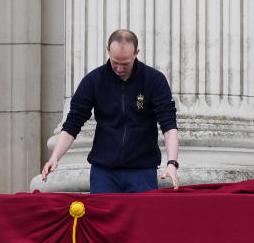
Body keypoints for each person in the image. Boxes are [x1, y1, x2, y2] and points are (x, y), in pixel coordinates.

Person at [42, 29, 180, 193]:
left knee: (142, 219)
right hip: (104, 173)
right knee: (101, 218)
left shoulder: (154, 80)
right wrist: (55, 157)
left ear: (136, 53)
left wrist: (172, 163)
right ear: (108, 50)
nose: (119, 68)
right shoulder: (93, 81)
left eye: (125, 63)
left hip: (142, 171)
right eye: (115, 62)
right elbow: (72, 124)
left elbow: (169, 125)